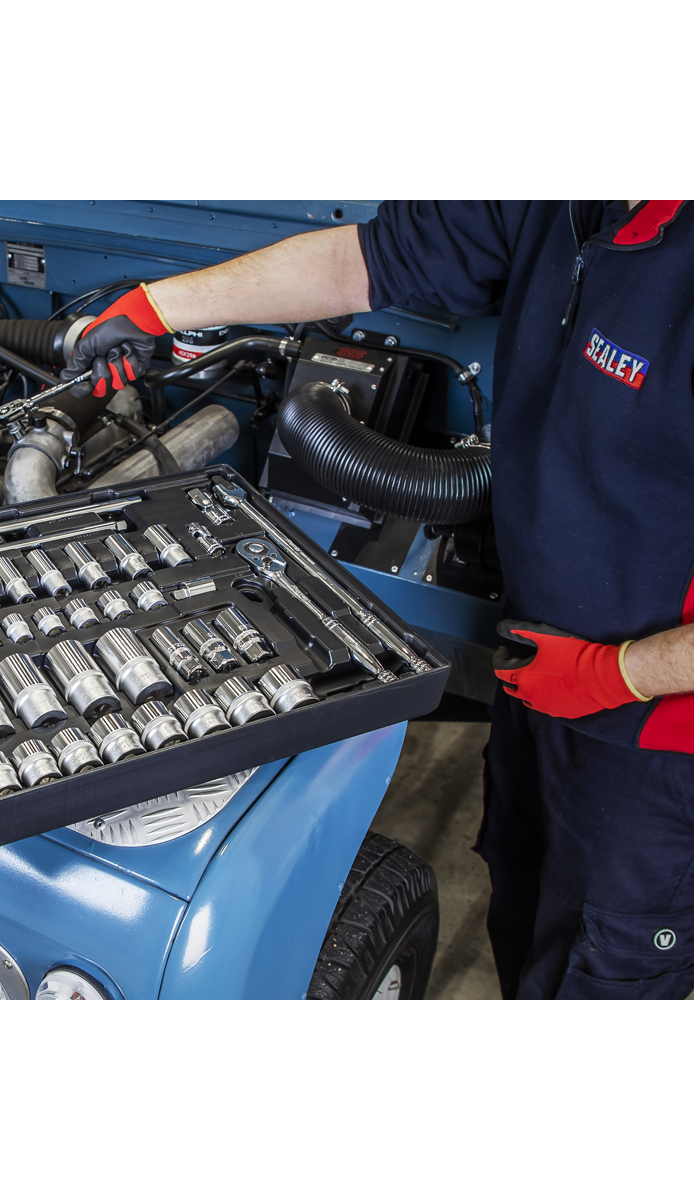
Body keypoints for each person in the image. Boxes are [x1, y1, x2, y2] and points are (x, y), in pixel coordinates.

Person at [62, 202, 694, 999]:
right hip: (543, 667)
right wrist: (160, 306)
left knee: (605, 969)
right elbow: (360, 260)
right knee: (530, 919)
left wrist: (622, 673)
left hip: (657, 736)